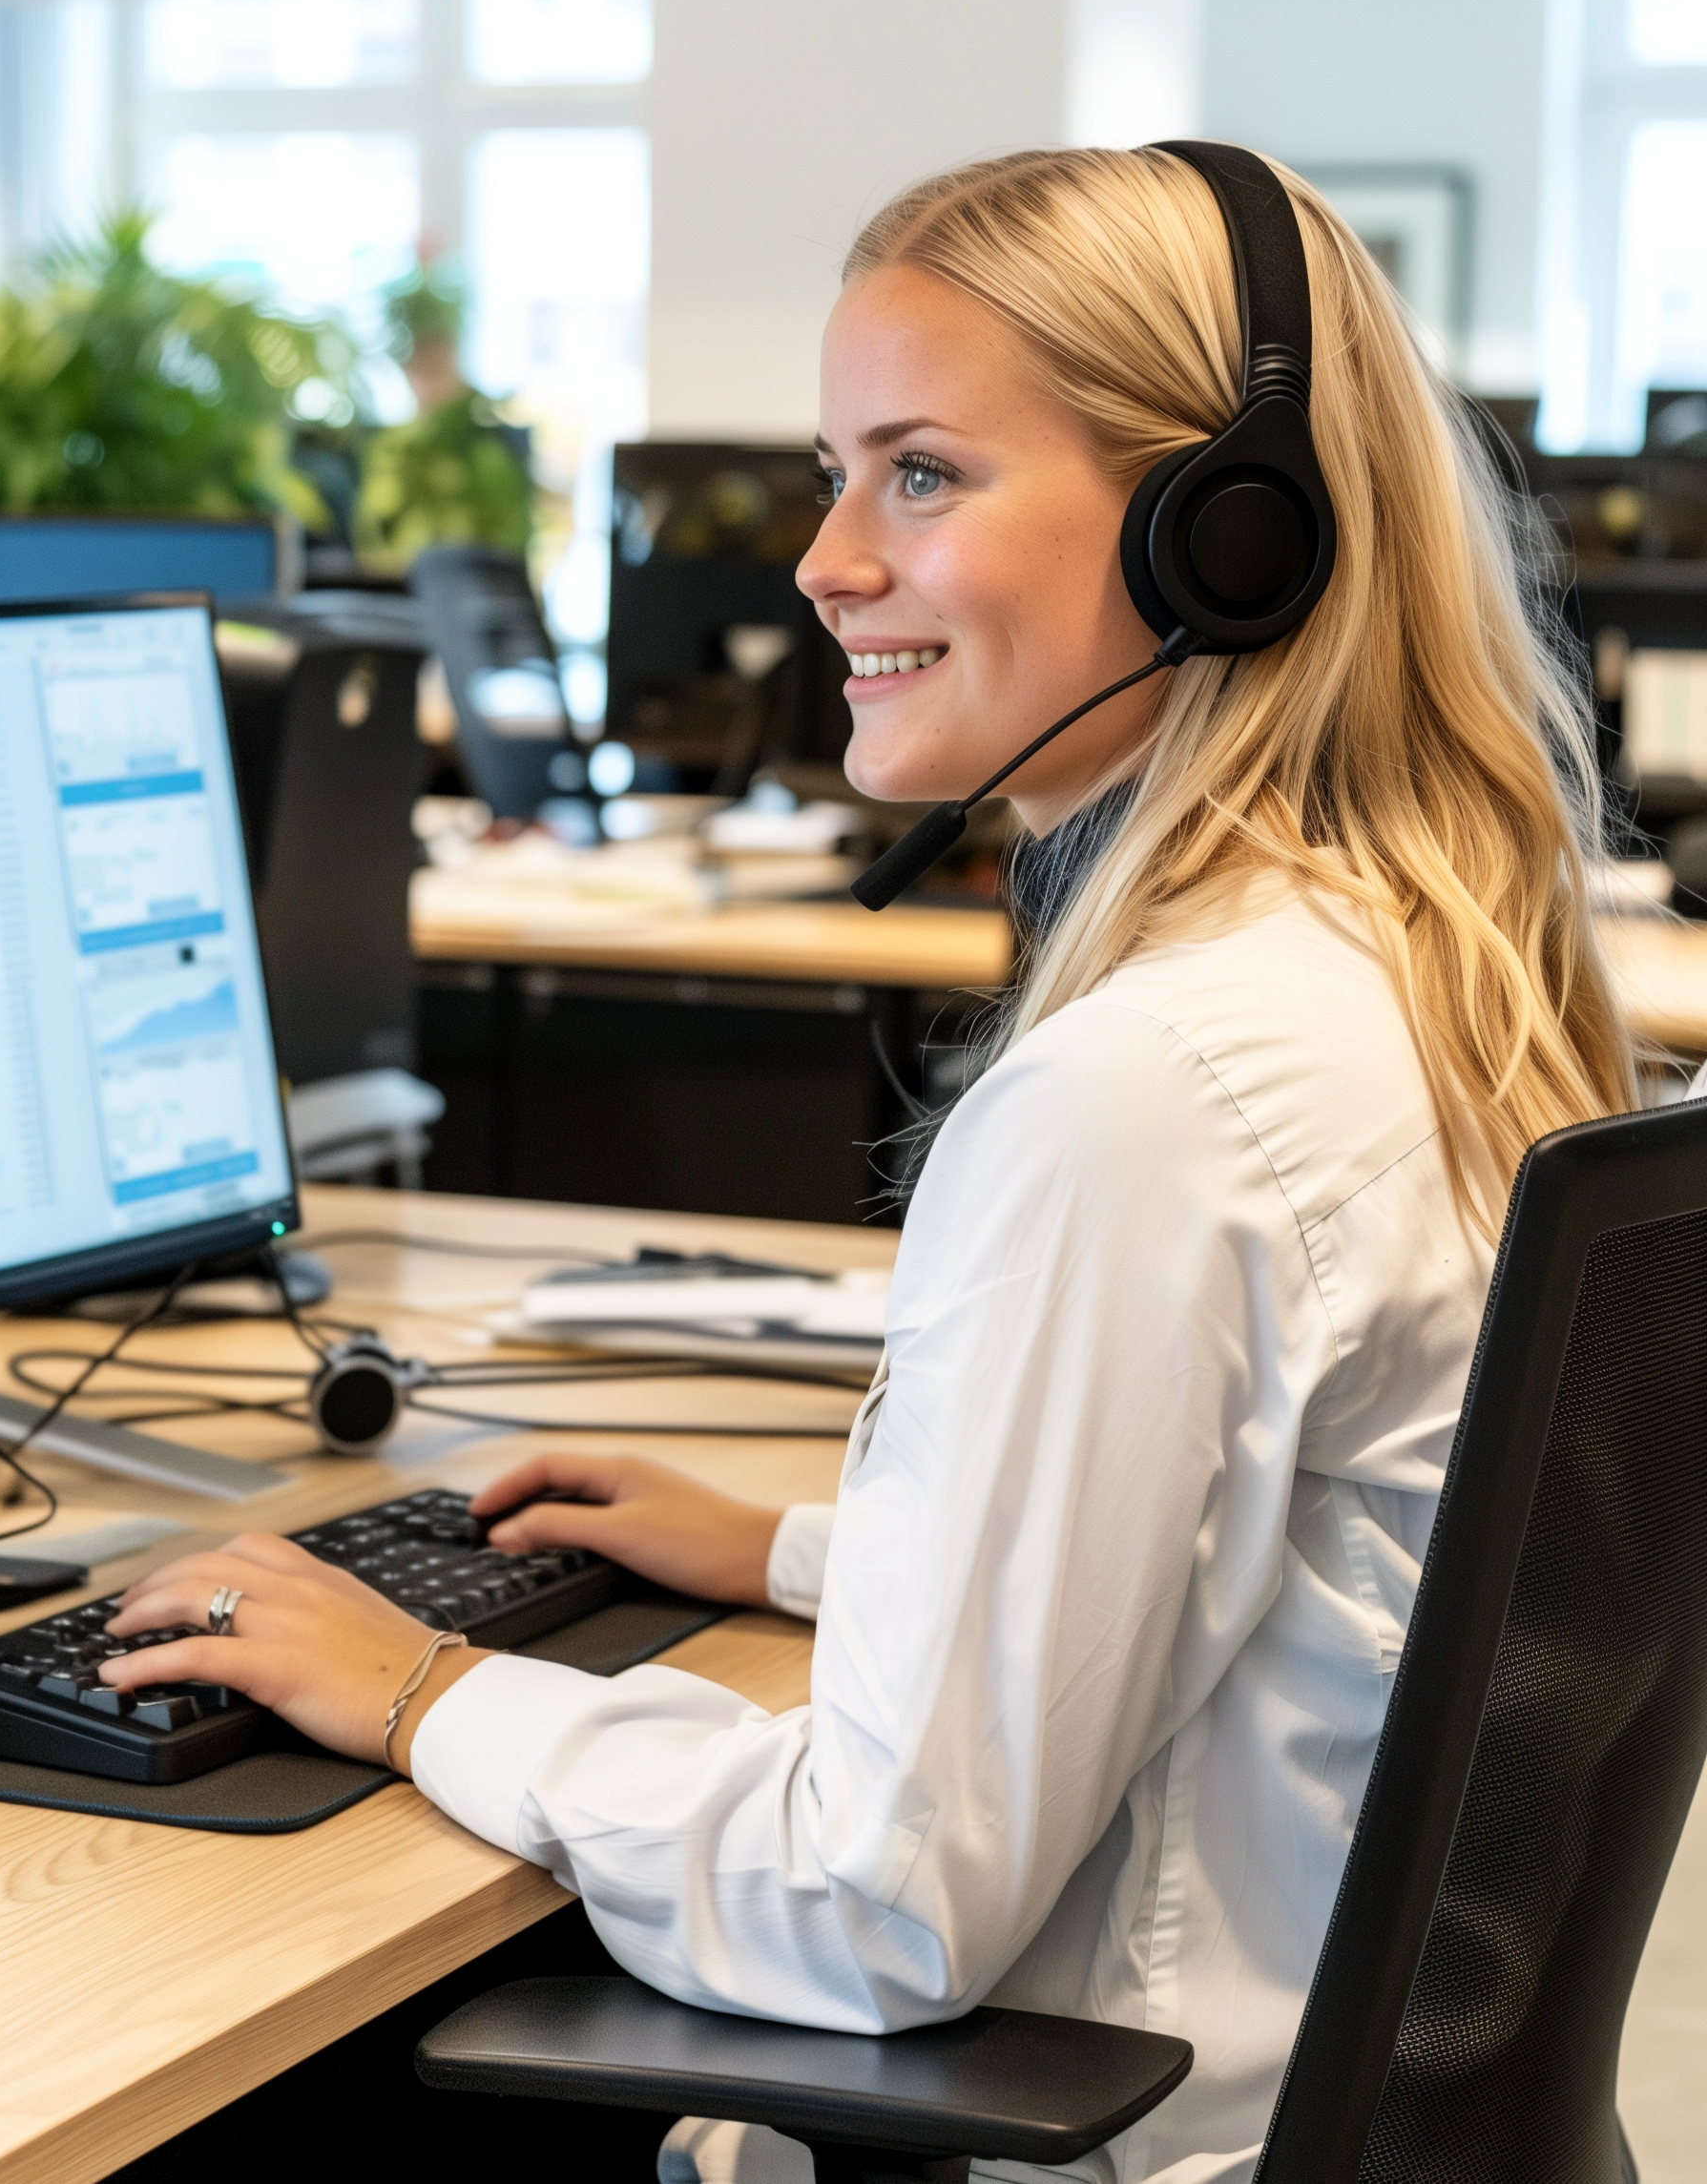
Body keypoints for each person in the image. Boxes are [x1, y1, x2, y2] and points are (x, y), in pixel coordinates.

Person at [99, 147, 1634, 2184]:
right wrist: (798, 1557)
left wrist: (422, 1685)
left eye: (919, 473)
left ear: (1224, 539)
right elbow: (1298, 1564)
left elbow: (873, 1903)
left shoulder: (1147, 1098)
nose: (821, 560)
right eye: (839, 473)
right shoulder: (1420, 977)